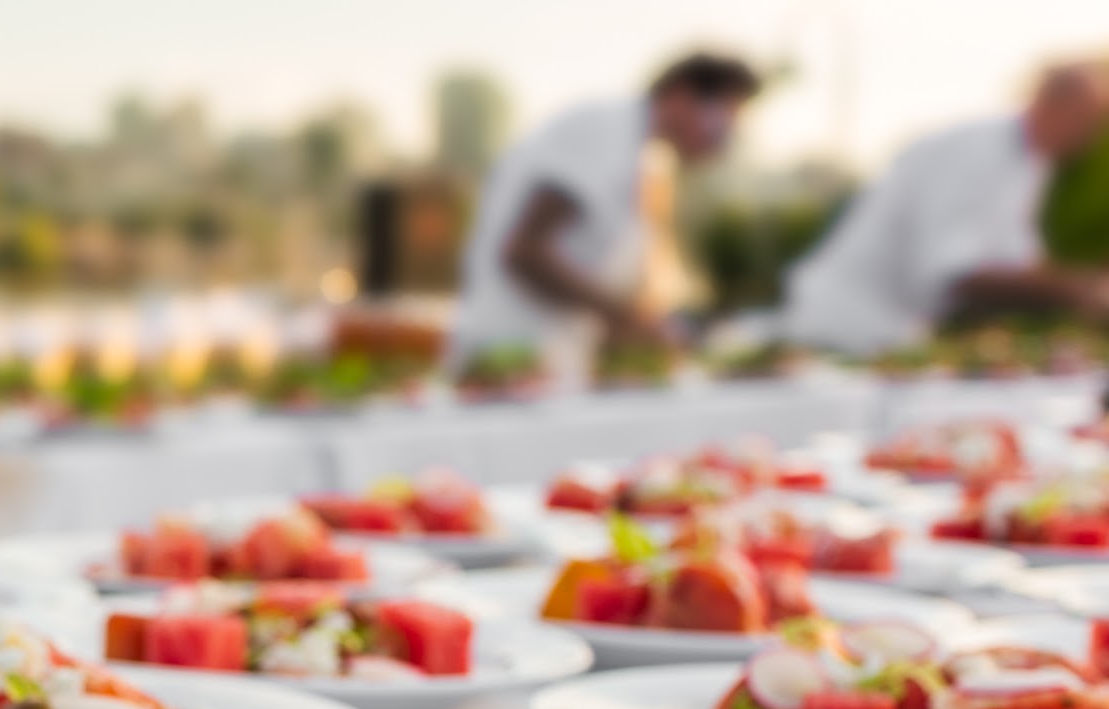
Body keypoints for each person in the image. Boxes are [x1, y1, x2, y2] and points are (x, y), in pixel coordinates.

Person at [449, 53, 761, 388]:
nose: (723, 139)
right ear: (680, 96)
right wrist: (628, 318)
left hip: (546, 366)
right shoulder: (604, 131)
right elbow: (525, 250)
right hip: (509, 360)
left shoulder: (638, 154)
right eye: (721, 122)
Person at [784, 61, 1109, 356]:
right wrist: (1079, 290)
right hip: (842, 329)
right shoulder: (975, 152)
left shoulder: (1032, 164)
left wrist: (1080, 285)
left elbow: (1014, 261)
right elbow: (954, 272)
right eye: (1086, 119)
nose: (1090, 136)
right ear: (1049, 104)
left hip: (892, 332)